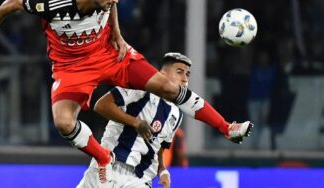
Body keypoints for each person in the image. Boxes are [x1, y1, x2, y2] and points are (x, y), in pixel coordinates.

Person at [0, 0, 252, 186]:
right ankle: (102, 157)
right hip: (72, 69)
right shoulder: (55, 3)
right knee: (63, 123)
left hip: (111, 56)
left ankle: (227, 127)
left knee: (168, 87)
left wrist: (117, 35)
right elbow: (15, 1)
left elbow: (111, 8)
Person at [77, 53, 253, 188]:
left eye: (187, 74)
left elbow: (159, 145)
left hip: (140, 178)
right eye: (179, 72)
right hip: (108, 167)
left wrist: (162, 169)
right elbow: (101, 105)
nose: (184, 78)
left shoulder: (177, 113)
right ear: (161, 73)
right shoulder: (140, 87)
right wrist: (135, 122)